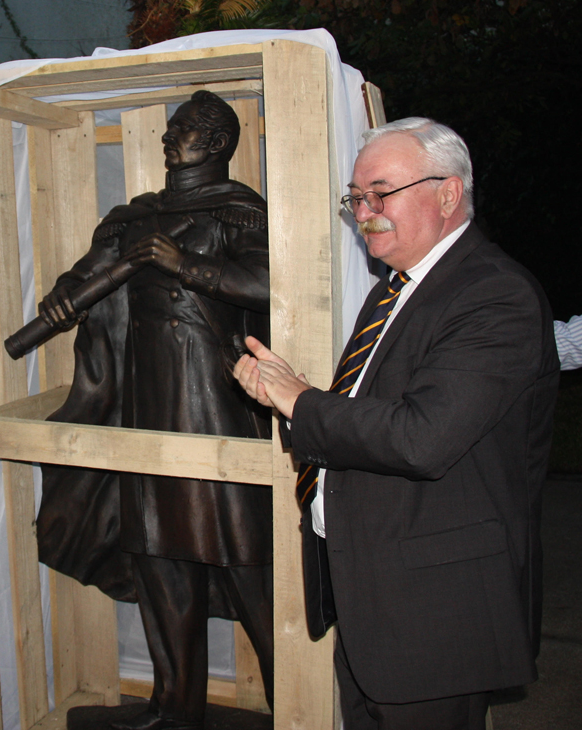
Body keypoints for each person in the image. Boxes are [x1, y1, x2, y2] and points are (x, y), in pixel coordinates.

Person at [234, 118, 559, 730]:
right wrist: (290, 395)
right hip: (375, 594)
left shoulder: (494, 294)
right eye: (356, 197)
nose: (365, 210)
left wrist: (302, 401)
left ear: (447, 193)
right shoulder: (399, 288)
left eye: (381, 192)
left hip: (435, 612)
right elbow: (375, 407)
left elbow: (420, 438)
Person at [35, 90, 272, 730]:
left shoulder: (239, 212)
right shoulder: (133, 217)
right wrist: (63, 299)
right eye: (170, 128)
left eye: (185, 129)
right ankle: (175, 706)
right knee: (157, 554)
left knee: (247, 554)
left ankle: (296, 701)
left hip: (216, 408)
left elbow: (275, 288)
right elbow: (87, 276)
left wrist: (186, 265)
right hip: (142, 407)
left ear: (218, 142)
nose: (170, 138)